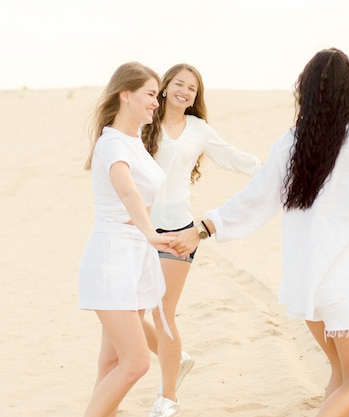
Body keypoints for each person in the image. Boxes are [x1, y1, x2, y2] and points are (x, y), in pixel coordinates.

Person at [172, 48, 349, 417]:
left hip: (307, 287)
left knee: (340, 373)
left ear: (306, 92)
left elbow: (254, 200)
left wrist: (203, 228)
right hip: (348, 288)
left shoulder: (293, 141)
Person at [140, 63, 262, 417]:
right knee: (131, 313)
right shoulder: (145, 119)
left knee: (163, 311)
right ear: (164, 87)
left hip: (178, 231)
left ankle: (168, 398)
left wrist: (274, 168)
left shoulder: (198, 130)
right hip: (141, 229)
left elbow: (235, 159)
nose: (185, 91)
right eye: (179, 84)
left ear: (196, 97)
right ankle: (177, 358)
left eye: (192, 88)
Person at [79, 62, 178, 417]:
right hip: (113, 258)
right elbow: (128, 192)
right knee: (136, 363)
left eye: (157, 95)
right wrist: (151, 233)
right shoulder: (112, 143)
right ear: (125, 95)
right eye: (151, 94)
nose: (156, 102)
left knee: (111, 364)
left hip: (134, 258)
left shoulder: (135, 143)